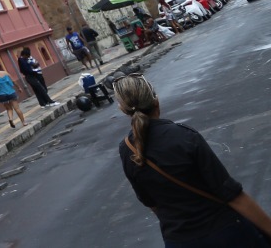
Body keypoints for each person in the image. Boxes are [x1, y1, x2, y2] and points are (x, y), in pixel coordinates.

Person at [115, 74, 271, 247]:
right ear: (156, 101)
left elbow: (150, 203)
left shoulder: (127, 149)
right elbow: (231, 194)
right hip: (226, 234)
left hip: (179, 241)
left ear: (123, 110)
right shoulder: (184, 136)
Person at [0, 62, 25, 128]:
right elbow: (14, 81)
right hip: (11, 92)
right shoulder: (5, 73)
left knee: (9, 109)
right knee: (17, 108)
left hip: (2, 94)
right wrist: (19, 88)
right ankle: (23, 122)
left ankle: (11, 119)